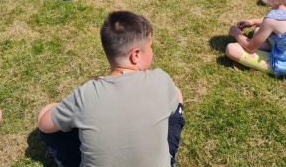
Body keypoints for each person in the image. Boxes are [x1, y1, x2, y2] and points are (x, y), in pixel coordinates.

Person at [37, 11, 185, 167]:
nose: (152, 51)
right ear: (135, 55)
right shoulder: (161, 79)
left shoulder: (85, 95)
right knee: (176, 93)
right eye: (150, 47)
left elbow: (45, 125)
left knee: (46, 112)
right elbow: (172, 103)